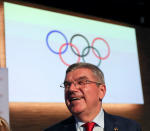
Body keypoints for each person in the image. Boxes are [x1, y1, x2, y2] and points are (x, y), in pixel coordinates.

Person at [44, 62, 142, 131]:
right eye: (67, 85)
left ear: (101, 91)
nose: (71, 89)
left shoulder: (130, 127)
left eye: (81, 82)